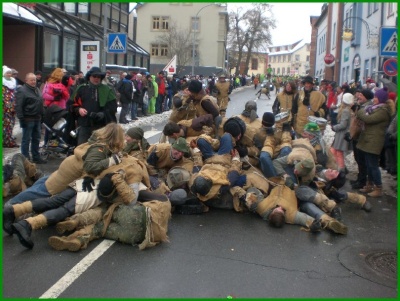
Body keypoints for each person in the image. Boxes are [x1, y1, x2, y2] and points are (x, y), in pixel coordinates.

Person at [355, 87, 392, 197]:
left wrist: (360, 110)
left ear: (381, 99)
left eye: (376, 97)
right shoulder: (374, 108)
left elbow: (368, 119)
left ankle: (378, 187)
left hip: (374, 141)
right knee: (368, 164)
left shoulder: (383, 111)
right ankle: (369, 184)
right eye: (375, 96)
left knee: (373, 165)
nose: (374, 99)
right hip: (368, 140)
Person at [72, 66, 118, 145]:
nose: (96, 78)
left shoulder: (107, 89)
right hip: (84, 124)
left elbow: (113, 107)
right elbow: (72, 104)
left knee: (99, 148)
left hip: (101, 125)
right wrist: (78, 109)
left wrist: (103, 114)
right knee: (82, 148)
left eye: (99, 77)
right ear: (89, 76)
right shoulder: (81, 89)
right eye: (94, 76)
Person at [244, 186, 321, 232]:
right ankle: (326, 219)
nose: (280, 207)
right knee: (306, 202)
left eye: (277, 209)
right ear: (284, 216)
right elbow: (304, 219)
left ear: (271, 214)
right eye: (282, 210)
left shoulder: (262, 208)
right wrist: (314, 225)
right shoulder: (291, 216)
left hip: (276, 184)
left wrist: (250, 197)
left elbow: (253, 190)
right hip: (295, 191)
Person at [15, 72, 46, 164]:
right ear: (26, 80)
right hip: (28, 119)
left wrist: (43, 115)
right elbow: (19, 106)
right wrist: (21, 118)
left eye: (34, 80)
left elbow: (41, 103)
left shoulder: (37, 89)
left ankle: (36, 157)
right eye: (31, 80)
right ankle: (25, 159)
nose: (33, 81)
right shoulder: (22, 90)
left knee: (36, 138)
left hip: (37, 118)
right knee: (26, 139)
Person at [330, 93, 354, 173]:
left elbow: (343, 124)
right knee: (333, 150)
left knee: (338, 152)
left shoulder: (345, 111)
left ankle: (341, 170)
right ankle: (336, 167)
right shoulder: (349, 110)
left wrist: (334, 127)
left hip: (342, 134)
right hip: (342, 134)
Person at [3, 65, 18, 148]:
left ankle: (9, 139)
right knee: (6, 124)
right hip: (5, 108)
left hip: (12, 106)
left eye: (10, 73)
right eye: (7, 73)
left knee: (11, 124)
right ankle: (6, 141)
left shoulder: (13, 82)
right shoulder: (3, 83)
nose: (9, 74)